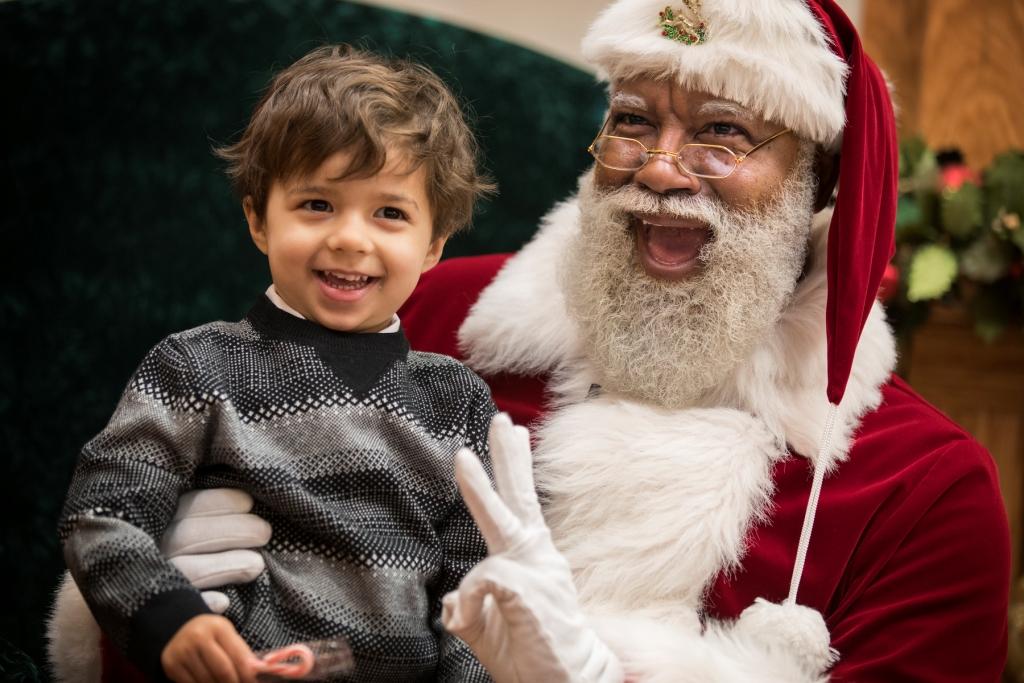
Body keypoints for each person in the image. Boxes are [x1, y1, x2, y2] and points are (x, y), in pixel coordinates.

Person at [51, 0, 1011, 681]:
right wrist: (160, 604)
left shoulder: (928, 492)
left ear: (818, 184)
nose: (662, 170)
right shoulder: (435, 321)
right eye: (632, 122)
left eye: (724, 133)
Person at [55, 44, 496, 683]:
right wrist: (171, 619)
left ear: (432, 246)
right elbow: (102, 514)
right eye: (317, 204)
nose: (349, 237)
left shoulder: (457, 400)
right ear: (258, 219)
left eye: (389, 213)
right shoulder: (196, 366)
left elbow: (476, 585)